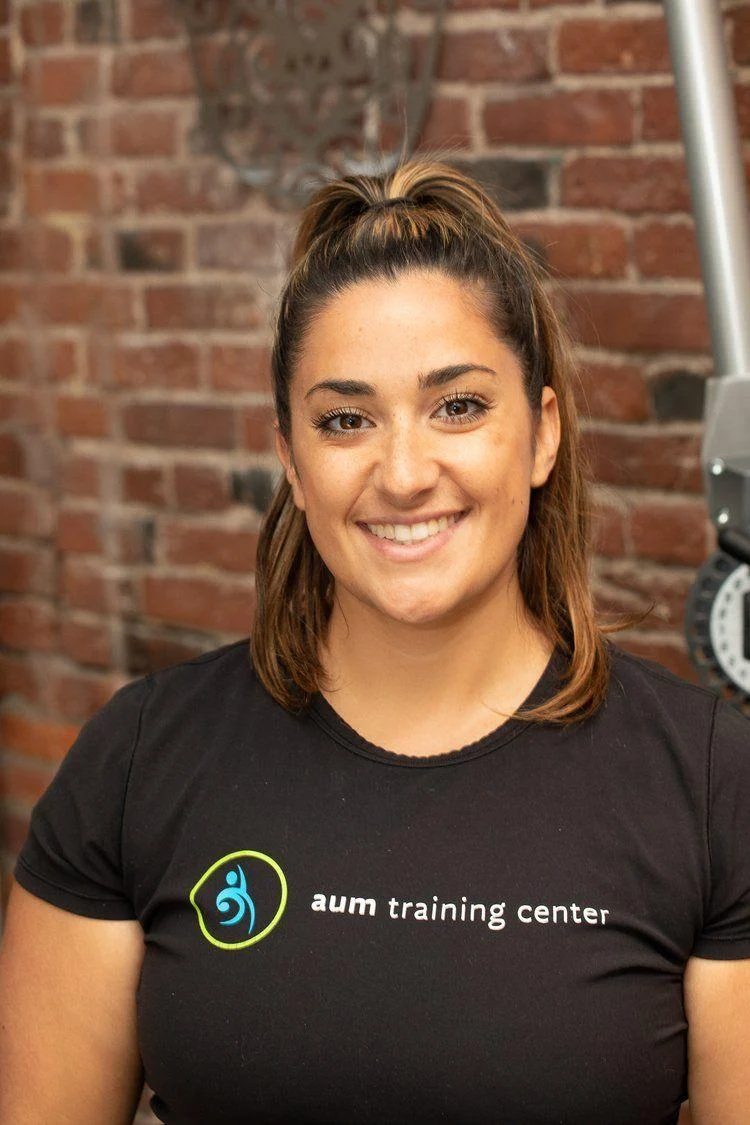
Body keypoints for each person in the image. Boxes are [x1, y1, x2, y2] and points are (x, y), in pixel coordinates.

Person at [1, 156, 749, 1125]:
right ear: (292, 458)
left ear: (542, 434)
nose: (403, 473)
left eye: (458, 406)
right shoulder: (140, 761)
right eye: (346, 420)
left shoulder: (710, 782)